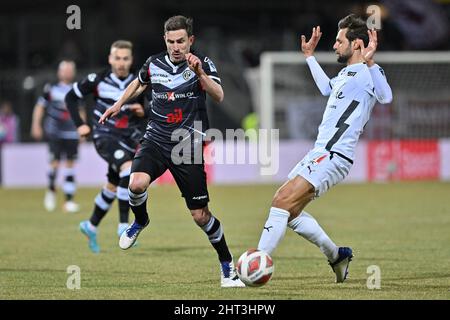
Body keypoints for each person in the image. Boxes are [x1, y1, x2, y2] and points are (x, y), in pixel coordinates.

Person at [99, 16, 245, 288]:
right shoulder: (154, 63)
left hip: (186, 146)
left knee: (200, 215)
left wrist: (200, 73)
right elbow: (140, 83)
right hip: (156, 138)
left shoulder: (202, 64)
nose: (176, 47)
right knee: (136, 182)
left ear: (191, 40)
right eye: (170, 41)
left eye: (181, 41)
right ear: (164, 40)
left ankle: (227, 267)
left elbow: (219, 95)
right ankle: (140, 220)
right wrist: (118, 104)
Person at [256, 14, 392, 283]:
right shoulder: (345, 74)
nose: (334, 45)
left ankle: (256, 263)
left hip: (334, 155)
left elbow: (386, 97)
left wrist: (371, 61)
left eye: (339, 40)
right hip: (320, 152)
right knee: (290, 212)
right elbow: (326, 88)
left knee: (282, 201)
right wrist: (309, 57)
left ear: (356, 44)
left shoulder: (366, 73)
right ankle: (336, 255)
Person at [65, 40, 147, 253]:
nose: (121, 62)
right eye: (117, 58)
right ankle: (123, 227)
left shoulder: (140, 82)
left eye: (125, 58)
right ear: (110, 59)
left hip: (129, 139)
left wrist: (143, 111)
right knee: (128, 170)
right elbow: (71, 97)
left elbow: (149, 107)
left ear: (131, 60)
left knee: (113, 186)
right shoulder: (98, 80)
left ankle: (90, 226)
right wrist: (80, 125)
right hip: (104, 136)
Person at [31, 60, 80, 213]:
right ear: (59, 72)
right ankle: (51, 191)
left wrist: (81, 128)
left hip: (72, 133)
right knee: (55, 163)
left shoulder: (77, 89)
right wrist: (36, 125)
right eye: (64, 70)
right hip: (55, 133)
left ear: (73, 72)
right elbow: (40, 107)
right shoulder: (51, 89)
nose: (67, 72)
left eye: (69, 70)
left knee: (70, 165)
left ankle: (68, 201)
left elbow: (81, 109)